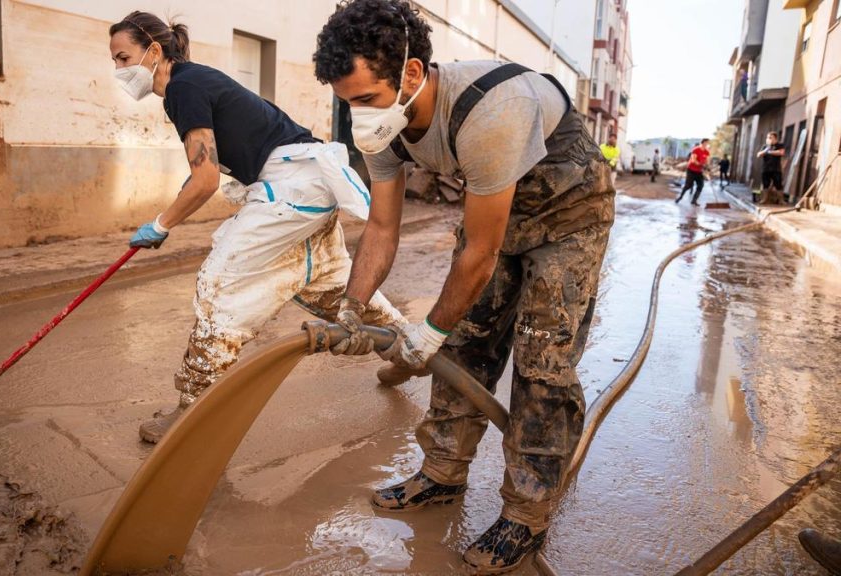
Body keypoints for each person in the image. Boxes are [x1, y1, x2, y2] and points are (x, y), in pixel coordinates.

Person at [313, 0, 615, 571]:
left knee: (540, 358)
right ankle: (442, 473)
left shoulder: (492, 111)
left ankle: (526, 512)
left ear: (410, 73)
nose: (357, 117)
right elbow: (381, 228)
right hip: (496, 205)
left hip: (569, 212)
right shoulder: (387, 125)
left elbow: (481, 252)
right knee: (465, 342)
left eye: (364, 100)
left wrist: (427, 330)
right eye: (345, 102)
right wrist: (352, 310)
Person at [108, 11, 405, 443]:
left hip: (290, 188)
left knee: (221, 285)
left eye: (123, 57)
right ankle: (406, 350)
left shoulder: (182, 88)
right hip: (308, 185)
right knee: (325, 283)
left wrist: (160, 223)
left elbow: (206, 179)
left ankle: (192, 410)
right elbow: (204, 170)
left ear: (154, 51)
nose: (119, 70)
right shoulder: (194, 80)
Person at [676, 138, 711, 205]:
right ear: (703, 143)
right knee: (688, 186)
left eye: (708, 143)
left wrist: (708, 167)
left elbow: (707, 161)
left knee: (701, 185)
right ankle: (680, 197)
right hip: (691, 170)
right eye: (706, 143)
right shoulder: (696, 150)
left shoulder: (707, 152)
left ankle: (694, 200)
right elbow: (693, 160)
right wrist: (701, 165)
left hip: (699, 171)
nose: (707, 144)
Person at [756, 131, 785, 204]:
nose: (768, 139)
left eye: (770, 137)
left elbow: (781, 152)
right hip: (766, 169)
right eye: (767, 137)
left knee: (778, 185)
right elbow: (758, 154)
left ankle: (781, 200)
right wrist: (766, 150)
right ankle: (764, 199)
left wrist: (770, 152)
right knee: (765, 185)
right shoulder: (765, 146)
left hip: (776, 169)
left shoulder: (779, 145)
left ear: (775, 138)